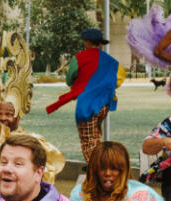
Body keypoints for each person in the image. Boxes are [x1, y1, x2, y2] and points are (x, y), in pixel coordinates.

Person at [46, 28, 123, 162]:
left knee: (88, 141)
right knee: (96, 137)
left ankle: (97, 170)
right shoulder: (111, 60)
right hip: (104, 104)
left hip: (87, 105)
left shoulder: (79, 58)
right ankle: (100, 166)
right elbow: (119, 77)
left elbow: (70, 79)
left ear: (86, 42)